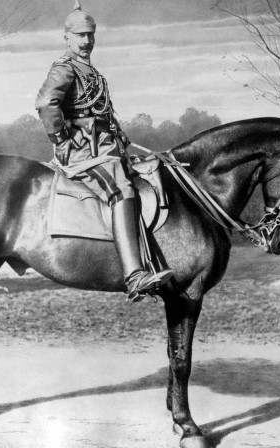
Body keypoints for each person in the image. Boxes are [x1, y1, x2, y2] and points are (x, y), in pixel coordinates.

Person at [35, 0, 172, 302]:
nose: (86, 42)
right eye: (80, 36)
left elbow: (101, 113)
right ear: (67, 38)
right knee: (123, 190)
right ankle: (135, 275)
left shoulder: (92, 72)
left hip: (108, 151)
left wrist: (120, 138)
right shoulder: (65, 69)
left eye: (90, 35)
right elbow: (46, 103)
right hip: (85, 156)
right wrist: (62, 141)